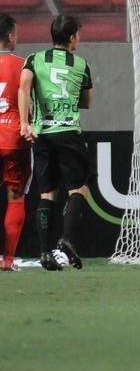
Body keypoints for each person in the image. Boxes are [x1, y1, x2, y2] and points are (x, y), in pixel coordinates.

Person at [17, 15, 93, 271]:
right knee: (79, 189)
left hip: (41, 134)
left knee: (47, 194)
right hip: (69, 132)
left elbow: (24, 87)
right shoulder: (80, 64)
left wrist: (25, 123)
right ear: (72, 38)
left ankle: (44, 252)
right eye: (78, 35)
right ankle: (66, 240)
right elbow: (87, 102)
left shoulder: (34, 59)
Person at [0, 15, 28, 271]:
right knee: (15, 196)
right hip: (13, 137)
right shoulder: (23, 65)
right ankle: (7, 260)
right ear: (10, 36)